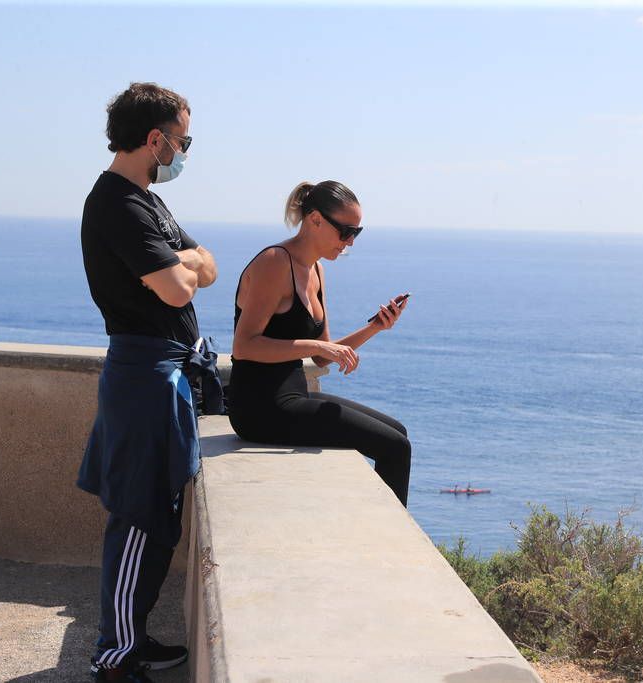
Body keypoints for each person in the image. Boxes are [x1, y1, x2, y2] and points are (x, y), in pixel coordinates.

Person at [77, 82, 219, 683]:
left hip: (166, 372)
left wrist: (179, 262)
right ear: (155, 138)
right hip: (144, 376)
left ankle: (133, 640)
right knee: (138, 518)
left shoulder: (147, 202)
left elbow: (208, 264)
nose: (185, 152)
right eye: (184, 141)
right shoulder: (119, 203)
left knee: (160, 515)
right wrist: (178, 266)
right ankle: (114, 657)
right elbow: (181, 287)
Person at [228, 180, 413, 505]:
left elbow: (325, 355)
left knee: (398, 432)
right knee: (395, 448)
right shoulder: (274, 263)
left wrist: (375, 328)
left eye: (357, 232)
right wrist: (315, 347)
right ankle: (383, 550)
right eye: (345, 231)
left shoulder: (315, 270)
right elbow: (245, 346)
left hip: (293, 395)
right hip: (259, 408)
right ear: (314, 219)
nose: (349, 242)